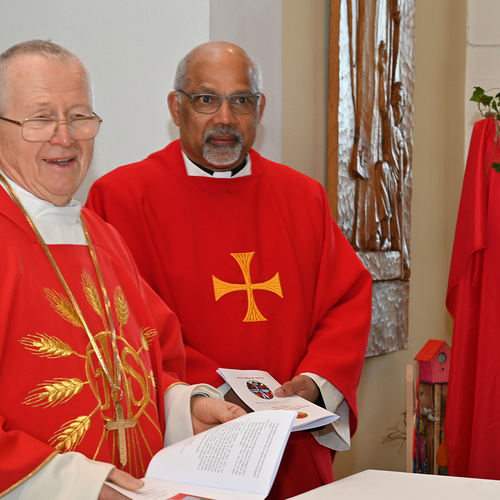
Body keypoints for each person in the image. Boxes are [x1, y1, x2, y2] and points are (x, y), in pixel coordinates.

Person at [87, 41, 372, 500]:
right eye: (205, 99)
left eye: (240, 100)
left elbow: (347, 299)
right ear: (175, 107)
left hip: (289, 446)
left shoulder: (302, 197)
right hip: (187, 444)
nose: (224, 118)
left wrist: (315, 382)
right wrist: (209, 393)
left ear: (259, 108)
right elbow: (123, 327)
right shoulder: (121, 198)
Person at [0, 40, 246, 500]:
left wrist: (188, 410)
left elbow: (150, 369)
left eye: (79, 116)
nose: (65, 137)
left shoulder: (102, 237)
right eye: (40, 118)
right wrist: (77, 485)